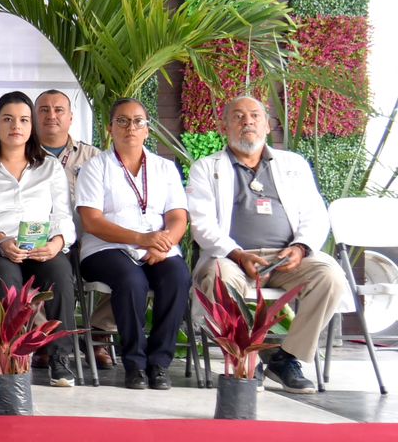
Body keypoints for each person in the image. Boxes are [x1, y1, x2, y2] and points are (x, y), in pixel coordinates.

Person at [186, 95, 351, 394]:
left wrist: (300, 248)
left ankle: (286, 359)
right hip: (232, 257)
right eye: (238, 116)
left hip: (288, 259)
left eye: (254, 116)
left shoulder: (293, 164)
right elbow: (201, 223)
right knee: (217, 277)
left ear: (267, 125)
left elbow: (315, 215)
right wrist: (237, 254)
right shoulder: (206, 168)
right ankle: (245, 360)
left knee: (331, 276)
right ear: (224, 126)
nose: (247, 121)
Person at [0, 91, 78, 388]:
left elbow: (63, 216)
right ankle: (12, 357)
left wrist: (56, 243)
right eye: (8, 119)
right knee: (8, 281)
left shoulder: (49, 167)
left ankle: (60, 359)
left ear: (32, 126)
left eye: (24, 120)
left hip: (42, 247)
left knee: (60, 273)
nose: (16, 126)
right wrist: (0, 239)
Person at [76, 98, 191, 390]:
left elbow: (178, 217)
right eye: (122, 121)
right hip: (106, 248)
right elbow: (92, 221)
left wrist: (163, 244)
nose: (131, 127)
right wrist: (141, 239)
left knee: (178, 276)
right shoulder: (95, 167)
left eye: (138, 121)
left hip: (158, 246)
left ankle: (159, 363)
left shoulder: (165, 168)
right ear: (110, 128)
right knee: (131, 281)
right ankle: (135, 364)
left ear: (147, 130)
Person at [35, 88, 114, 372]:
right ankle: (45, 338)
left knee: (132, 271)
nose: (51, 115)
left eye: (59, 110)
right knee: (34, 272)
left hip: (90, 241)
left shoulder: (95, 158)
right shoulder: (22, 154)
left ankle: (99, 333)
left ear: (70, 118)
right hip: (44, 242)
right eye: (44, 110)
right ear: (34, 117)